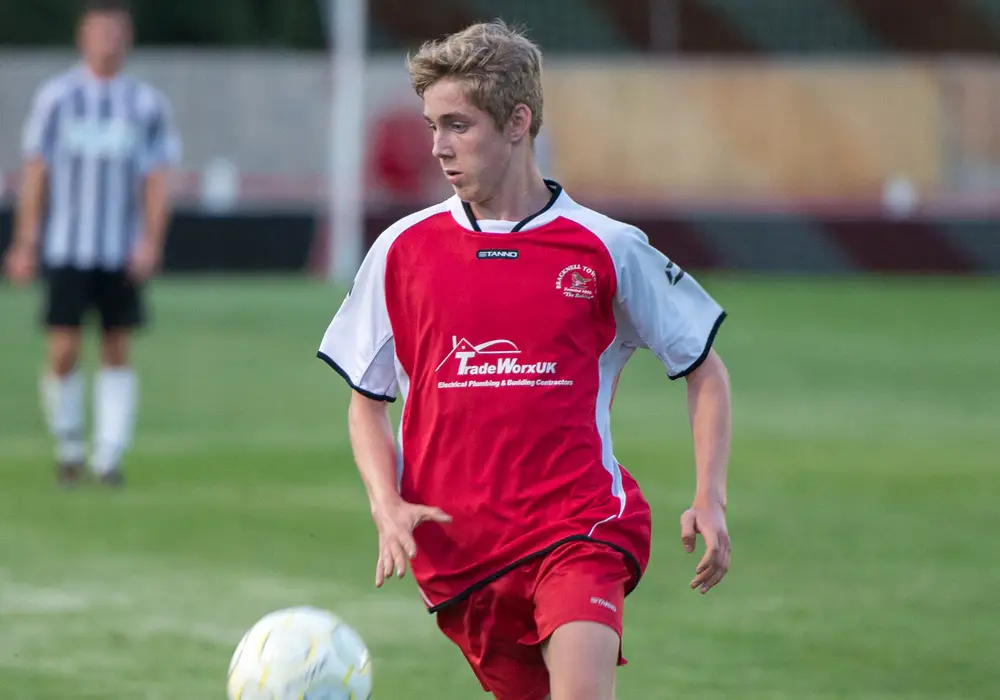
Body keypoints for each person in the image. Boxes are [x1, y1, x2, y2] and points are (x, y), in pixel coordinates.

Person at [317, 20, 732, 700]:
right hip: (463, 557)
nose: (438, 148)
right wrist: (385, 503)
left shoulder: (607, 248)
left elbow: (704, 369)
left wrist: (709, 496)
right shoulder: (402, 250)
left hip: (580, 528)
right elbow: (367, 399)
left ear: (518, 121)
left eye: (458, 125)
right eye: (432, 127)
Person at [2, 0, 181, 487]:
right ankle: (69, 444)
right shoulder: (57, 98)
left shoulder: (144, 105)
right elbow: (36, 173)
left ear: (127, 39)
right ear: (83, 37)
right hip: (67, 247)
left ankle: (108, 457)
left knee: (117, 347)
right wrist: (24, 242)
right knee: (62, 349)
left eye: (116, 31)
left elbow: (157, 179)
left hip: (118, 249)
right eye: (99, 31)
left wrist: (150, 240)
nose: (108, 40)